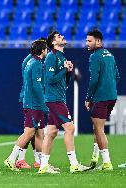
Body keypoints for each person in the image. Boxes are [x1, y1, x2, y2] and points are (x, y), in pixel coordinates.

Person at [38, 31, 89, 174]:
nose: (62, 37)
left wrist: (67, 73)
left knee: (52, 132)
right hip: (54, 99)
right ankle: (74, 164)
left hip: (58, 97)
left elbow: (63, 84)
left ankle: (43, 166)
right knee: (70, 128)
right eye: (58, 36)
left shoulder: (61, 57)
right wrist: (63, 70)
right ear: (53, 43)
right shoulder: (50, 57)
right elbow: (49, 80)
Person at [4, 39, 48, 171]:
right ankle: (11, 159)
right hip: (34, 104)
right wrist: (43, 104)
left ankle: (42, 163)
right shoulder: (36, 64)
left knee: (40, 133)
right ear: (42, 50)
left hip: (31, 102)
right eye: (46, 48)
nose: (47, 51)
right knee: (29, 132)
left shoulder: (31, 61)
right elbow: (37, 87)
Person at [85, 29, 119, 170]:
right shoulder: (110, 55)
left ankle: (107, 163)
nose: (87, 43)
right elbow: (117, 76)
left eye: (90, 40)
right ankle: (94, 157)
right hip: (112, 96)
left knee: (99, 130)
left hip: (101, 97)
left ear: (98, 41)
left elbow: (94, 80)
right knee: (98, 128)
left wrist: (89, 97)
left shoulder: (95, 57)